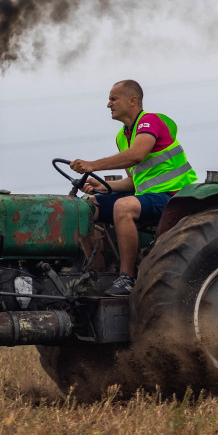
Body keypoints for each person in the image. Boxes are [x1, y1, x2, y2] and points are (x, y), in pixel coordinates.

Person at [70, 79, 198, 296]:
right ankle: (98, 273)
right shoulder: (122, 136)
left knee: (123, 206)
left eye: (113, 99)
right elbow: (133, 181)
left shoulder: (151, 121)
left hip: (174, 197)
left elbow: (136, 155)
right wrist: (102, 185)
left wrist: (92, 165)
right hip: (147, 196)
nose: (108, 105)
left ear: (132, 100)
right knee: (84, 208)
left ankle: (126, 278)